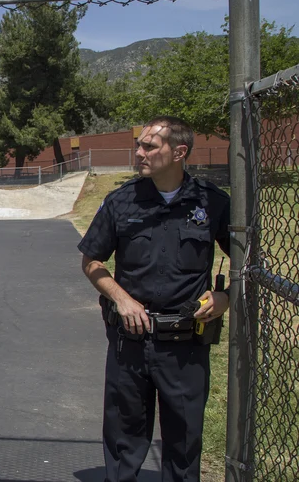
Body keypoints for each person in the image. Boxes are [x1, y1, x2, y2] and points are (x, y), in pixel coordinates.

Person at [77, 116, 230, 482]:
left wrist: (226, 297)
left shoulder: (212, 203)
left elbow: (246, 259)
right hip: (129, 343)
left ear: (179, 152)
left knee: (184, 441)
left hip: (185, 346)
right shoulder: (121, 201)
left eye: (149, 146)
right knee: (123, 440)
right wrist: (122, 299)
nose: (139, 152)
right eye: (139, 144)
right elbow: (92, 262)